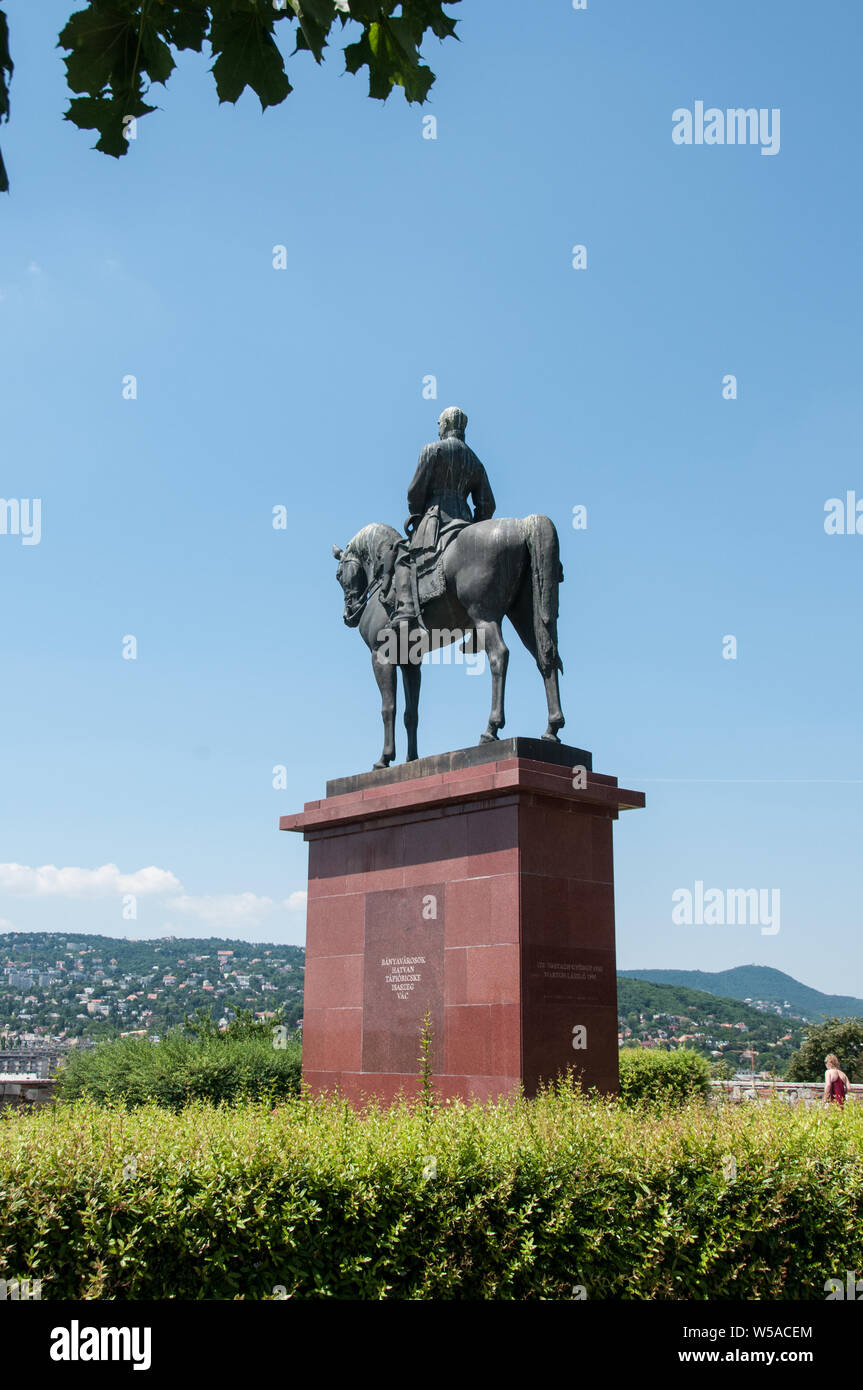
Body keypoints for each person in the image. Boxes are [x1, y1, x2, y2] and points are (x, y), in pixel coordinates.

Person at [382, 406, 496, 632]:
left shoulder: (432, 450)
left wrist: (417, 513)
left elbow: (414, 492)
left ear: (445, 425)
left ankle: (405, 610)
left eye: (439, 424)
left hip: (435, 522)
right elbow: (487, 504)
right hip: (464, 523)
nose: (438, 429)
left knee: (403, 556)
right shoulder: (475, 461)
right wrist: (474, 527)